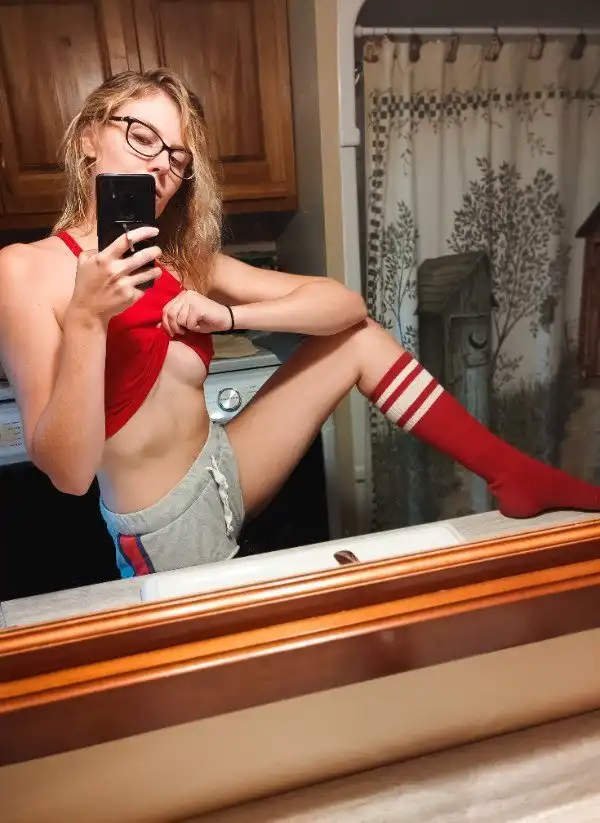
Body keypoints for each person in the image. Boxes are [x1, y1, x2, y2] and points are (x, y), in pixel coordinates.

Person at [0, 69, 598, 578]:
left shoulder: (183, 261)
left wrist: (229, 314)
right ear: (88, 137)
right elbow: (68, 474)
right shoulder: (25, 271)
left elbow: (345, 306)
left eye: (177, 158)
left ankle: (515, 475)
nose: (159, 166)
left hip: (225, 468)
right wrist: (88, 317)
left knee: (358, 342)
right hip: (162, 528)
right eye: (141, 138)